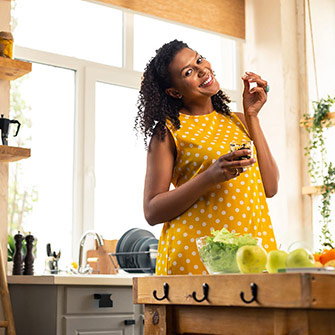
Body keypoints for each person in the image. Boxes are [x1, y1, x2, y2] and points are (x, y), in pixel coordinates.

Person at [135, 39, 279, 275]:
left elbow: (270, 187)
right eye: (189, 71)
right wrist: (210, 176)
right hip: (196, 260)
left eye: (199, 59)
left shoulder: (239, 121)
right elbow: (152, 211)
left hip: (252, 256)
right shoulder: (167, 132)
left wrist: (252, 115)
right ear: (174, 91)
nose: (202, 69)